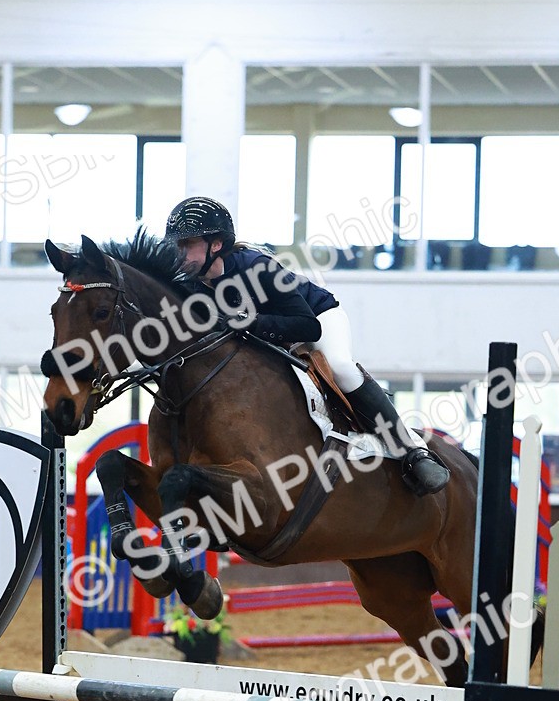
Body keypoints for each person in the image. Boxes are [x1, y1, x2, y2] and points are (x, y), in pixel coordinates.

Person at [164, 196, 449, 497]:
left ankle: (414, 452)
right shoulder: (191, 287)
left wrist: (253, 323)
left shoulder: (256, 268)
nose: (179, 253)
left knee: (341, 368)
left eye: (187, 244)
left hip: (317, 317)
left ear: (216, 244)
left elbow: (308, 326)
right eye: (177, 245)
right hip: (273, 338)